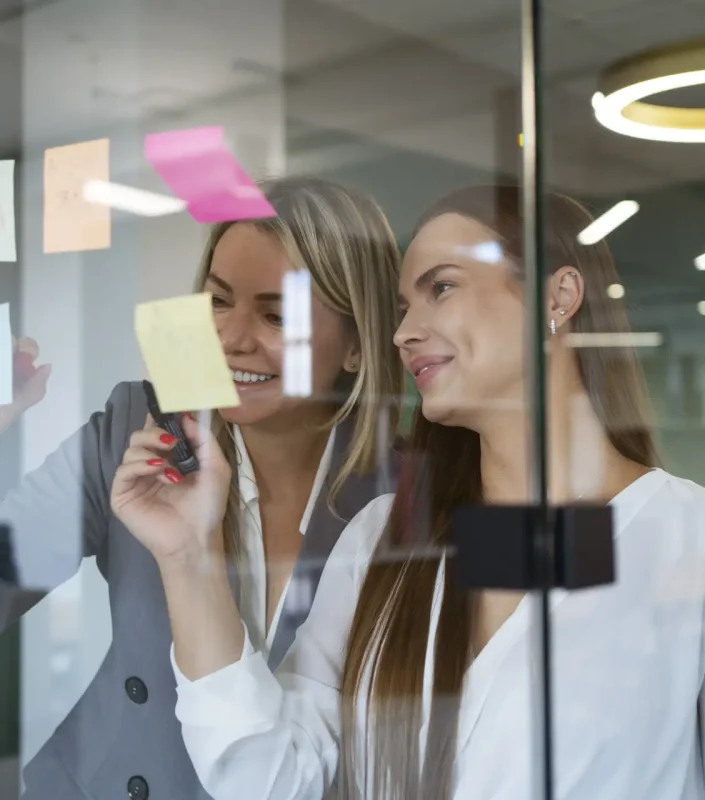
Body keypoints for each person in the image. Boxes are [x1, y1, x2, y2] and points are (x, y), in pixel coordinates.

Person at [113, 186, 705, 799]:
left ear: (558, 298)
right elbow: (267, 778)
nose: (405, 332)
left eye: (441, 287)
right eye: (404, 304)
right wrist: (188, 556)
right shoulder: (384, 537)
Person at [0, 176, 404, 800]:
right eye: (218, 301)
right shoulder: (136, 431)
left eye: (276, 314)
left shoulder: (402, 499)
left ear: (355, 344)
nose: (231, 337)